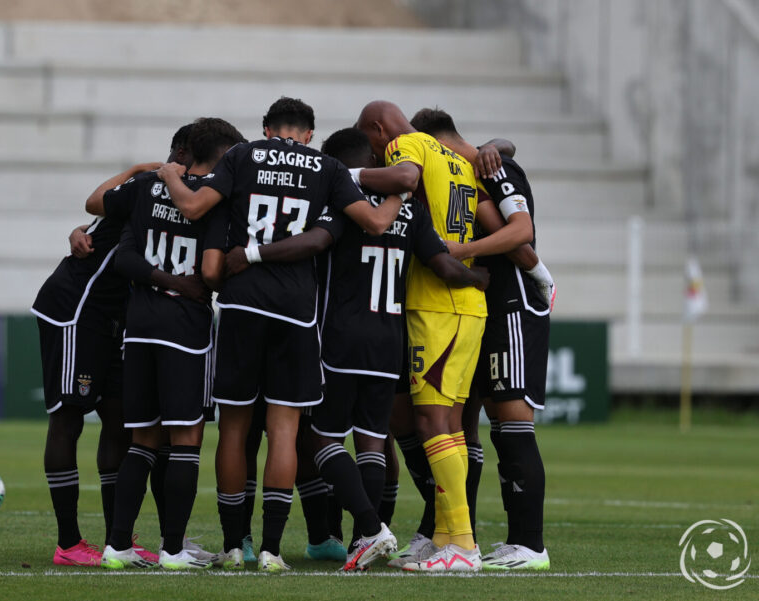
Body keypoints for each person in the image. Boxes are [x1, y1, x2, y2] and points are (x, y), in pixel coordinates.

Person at [225, 126, 489, 570]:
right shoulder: (410, 208)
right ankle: (359, 544)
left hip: (339, 338)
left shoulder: (339, 206)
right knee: (372, 440)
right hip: (390, 342)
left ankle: (370, 527)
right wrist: (478, 278)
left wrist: (254, 254)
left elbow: (315, 242)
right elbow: (444, 264)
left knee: (321, 437)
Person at [159, 97, 402, 572]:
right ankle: (272, 549)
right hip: (295, 311)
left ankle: (234, 546)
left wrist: (169, 173)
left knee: (234, 428)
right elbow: (375, 222)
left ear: (267, 129)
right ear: (309, 134)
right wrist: (402, 192)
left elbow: (192, 207)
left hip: (241, 302)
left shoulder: (243, 155)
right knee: (284, 429)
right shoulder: (328, 166)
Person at [354, 100, 524, 572]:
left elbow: (405, 180)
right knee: (447, 425)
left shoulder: (408, 144)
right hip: (466, 306)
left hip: (435, 303)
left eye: (372, 144)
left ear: (378, 128)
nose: (377, 154)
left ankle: (464, 545)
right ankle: (448, 537)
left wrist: (349, 176)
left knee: (432, 424)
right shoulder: (459, 158)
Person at [31, 127, 190, 567]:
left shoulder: (183, 196)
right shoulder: (149, 187)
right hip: (77, 309)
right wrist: (140, 168)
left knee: (121, 418)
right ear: (180, 157)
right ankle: (68, 543)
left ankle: (118, 539)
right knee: (68, 418)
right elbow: (94, 205)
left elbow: (96, 219)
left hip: (118, 319)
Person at [99, 118, 246, 570]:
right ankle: (174, 550)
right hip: (185, 330)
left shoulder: (147, 186)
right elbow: (209, 272)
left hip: (139, 325)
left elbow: (120, 248)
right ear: (222, 156)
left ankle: (117, 546)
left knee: (142, 440)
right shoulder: (216, 201)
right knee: (185, 440)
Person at [411, 107, 553, 571]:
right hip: (475, 309)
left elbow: (522, 231)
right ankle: (449, 535)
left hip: (511, 304)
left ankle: (529, 545)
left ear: (437, 142)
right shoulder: (474, 166)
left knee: (511, 423)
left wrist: (463, 251)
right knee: (462, 425)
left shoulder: (498, 168)